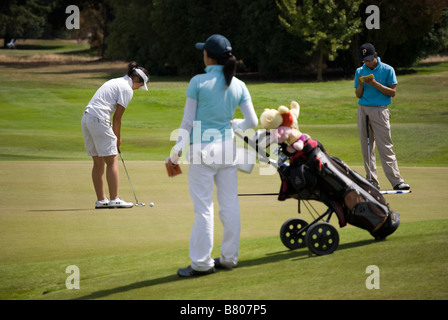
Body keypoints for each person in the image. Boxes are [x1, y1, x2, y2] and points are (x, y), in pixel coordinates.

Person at [167, 34, 258, 277]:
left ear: (209, 56)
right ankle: (229, 258)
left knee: (204, 209)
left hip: (202, 152)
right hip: (228, 150)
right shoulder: (239, 85)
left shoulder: (198, 81)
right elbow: (252, 122)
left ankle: (201, 263)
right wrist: (234, 124)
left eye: (204, 52)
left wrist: (175, 153)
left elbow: (187, 124)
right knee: (230, 205)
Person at [81, 62, 149, 209]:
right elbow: (117, 118)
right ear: (136, 80)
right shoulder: (127, 89)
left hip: (87, 118)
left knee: (98, 162)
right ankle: (114, 199)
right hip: (99, 118)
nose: (137, 89)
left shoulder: (115, 81)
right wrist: (118, 138)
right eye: (139, 86)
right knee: (112, 160)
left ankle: (101, 200)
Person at [354, 43, 409, 191]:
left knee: (385, 146)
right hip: (363, 110)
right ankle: (371, 181)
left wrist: (374, 84)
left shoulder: (387, 69)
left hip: (380, 110)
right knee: (366, 147)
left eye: (369, 59)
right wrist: (360, 84)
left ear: (375, 55)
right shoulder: (360, 71)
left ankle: (397, 181)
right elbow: (358, 94)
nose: (367, 62)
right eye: (364, 60)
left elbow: (392, 93)